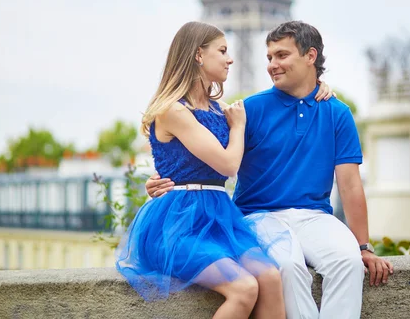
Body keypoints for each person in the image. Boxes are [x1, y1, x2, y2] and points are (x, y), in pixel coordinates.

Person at [146, 21, 394, 319]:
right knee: (285, 268)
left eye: (281, 56)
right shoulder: (248, 110)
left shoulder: (335, 111)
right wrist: (162, 180)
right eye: (269, 58)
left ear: (310, 56)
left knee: (350, 262)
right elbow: (196, 152)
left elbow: (351, 185)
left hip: (314, 216)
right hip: (257, 216)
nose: (272, 65)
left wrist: (363, 246)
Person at [115, 21, 333, 319]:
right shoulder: (174, 110)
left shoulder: (219, 109)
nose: (230, 58)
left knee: (270, 277)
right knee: (244, 288)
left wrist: (317, 85)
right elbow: (229, 164)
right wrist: (239, 126)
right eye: (222, 51)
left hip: (219, 216)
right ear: (198, 56)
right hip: (180, 222)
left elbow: (274, 107)